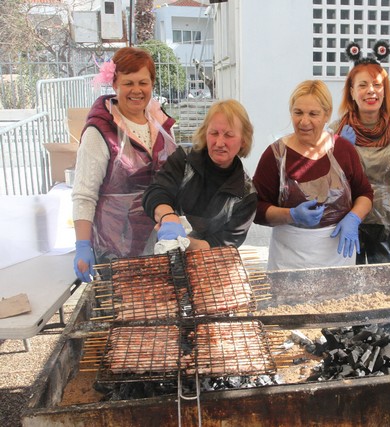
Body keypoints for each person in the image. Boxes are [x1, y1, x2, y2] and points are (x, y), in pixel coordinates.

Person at [72, 47, 176, 282]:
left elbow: (173, 177)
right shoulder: (100, 131)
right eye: (128, 83)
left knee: (159, 306)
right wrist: (82, 244)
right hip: (115, 245)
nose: (137, 90)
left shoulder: (160, 122)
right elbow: (84, 194)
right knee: (124, 311)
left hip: (160, 238)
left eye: (144, 82)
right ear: (114, 84)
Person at [253, 80, 373, 270]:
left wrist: (354, 217)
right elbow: (256, 208)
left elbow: (365, 194)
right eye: (298, 112)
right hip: (289, 260)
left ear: (327, 115)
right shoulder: (275, 155)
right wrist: (291, 215)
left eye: (313, 114)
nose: (304, 121)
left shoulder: (344, 150)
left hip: (337, 257)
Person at [331, 40, 390, 264]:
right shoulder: (335, 130)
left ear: (385, 91)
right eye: (363, 85)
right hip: (348, 220)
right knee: (347, 291)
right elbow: (327, 182)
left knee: (387, 290)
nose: (371, 91)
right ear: (352, 91)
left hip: (386, 224)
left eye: (377, 85)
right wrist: (337, 153)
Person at [142, 100, 257, 251]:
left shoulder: (246, 195)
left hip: (208, 264)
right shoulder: (183, 160)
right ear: (205, 133)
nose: (219, 142)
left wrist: (186, 243)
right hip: (162, 251)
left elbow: (224, 243)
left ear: (243, 140)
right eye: (214, 133)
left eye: (229, 135)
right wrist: (168, 218)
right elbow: (156, 191)